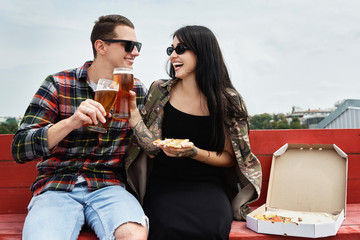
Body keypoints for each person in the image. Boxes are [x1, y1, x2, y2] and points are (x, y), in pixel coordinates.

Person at [11, 15, 148, 240]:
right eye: (129, 45)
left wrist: (136, 119)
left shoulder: (136, 90)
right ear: (101, 46)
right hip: (56, 187)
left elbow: (154, 143)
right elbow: (19, 148)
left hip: (109, 185)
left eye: (138, 46)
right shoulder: (58, 83)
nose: (136, 52)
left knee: (133, 235)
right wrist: (70, 123)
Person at [125, 25, 262, 240]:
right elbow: (151, 149)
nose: (173, 56)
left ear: (203, 52)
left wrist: (193, 152)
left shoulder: (227, 100)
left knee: (210, 229)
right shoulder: (160, 91)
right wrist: (133, 112)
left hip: (208, 186)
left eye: (181, 49)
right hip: (164, 184)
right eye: (171, 50)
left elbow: (230, 158)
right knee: (167, 228)